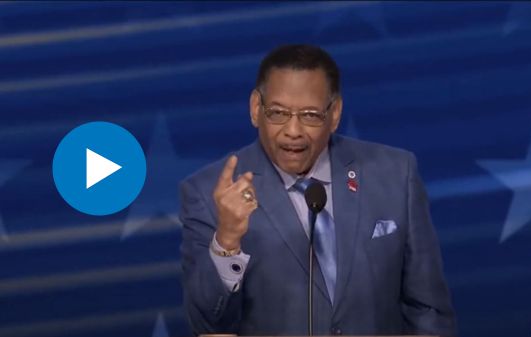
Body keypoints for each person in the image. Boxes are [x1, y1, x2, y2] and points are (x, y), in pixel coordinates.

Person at [179, 44, 457, 336]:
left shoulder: (395, 172)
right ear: (255, 109)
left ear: (334, 113)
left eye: (310, 115)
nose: (293, 130)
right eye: (278, 113)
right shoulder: (207, 194)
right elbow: (207, 324)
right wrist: (227, 241)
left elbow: (428, 309)